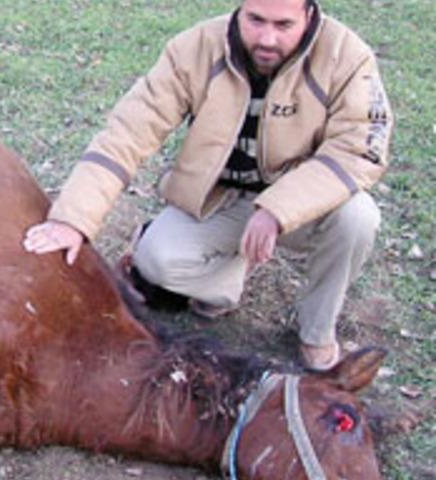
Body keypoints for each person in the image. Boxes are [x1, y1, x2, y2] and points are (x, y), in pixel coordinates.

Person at [23, 0, 392, 371]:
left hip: (303, 206)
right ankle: (227, 281)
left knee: (358, 218)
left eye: (283, 25)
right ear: (240, 8)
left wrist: (278, 210)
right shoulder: (194, 48)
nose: (267, 38)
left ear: (309, 15)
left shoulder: (348, 57)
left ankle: (315, 331)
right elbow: (127, 132)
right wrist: (72, 218)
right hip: (221, 199)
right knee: (157, 260)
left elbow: (359, 150)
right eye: (256, 20)